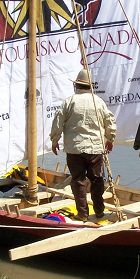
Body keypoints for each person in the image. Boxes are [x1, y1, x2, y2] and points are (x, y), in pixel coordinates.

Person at [49, 69, 116, 222]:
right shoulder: (98, 101)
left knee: (78, 180)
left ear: (76, 86)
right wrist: (110, 139)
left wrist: (55, 141)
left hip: (75, 149)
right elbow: (109, 121)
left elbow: (58, 122)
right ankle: (99, 211)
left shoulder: (69, 102)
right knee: (97, 180)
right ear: (90, 86)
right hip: (95, 148)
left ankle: (83, 214)